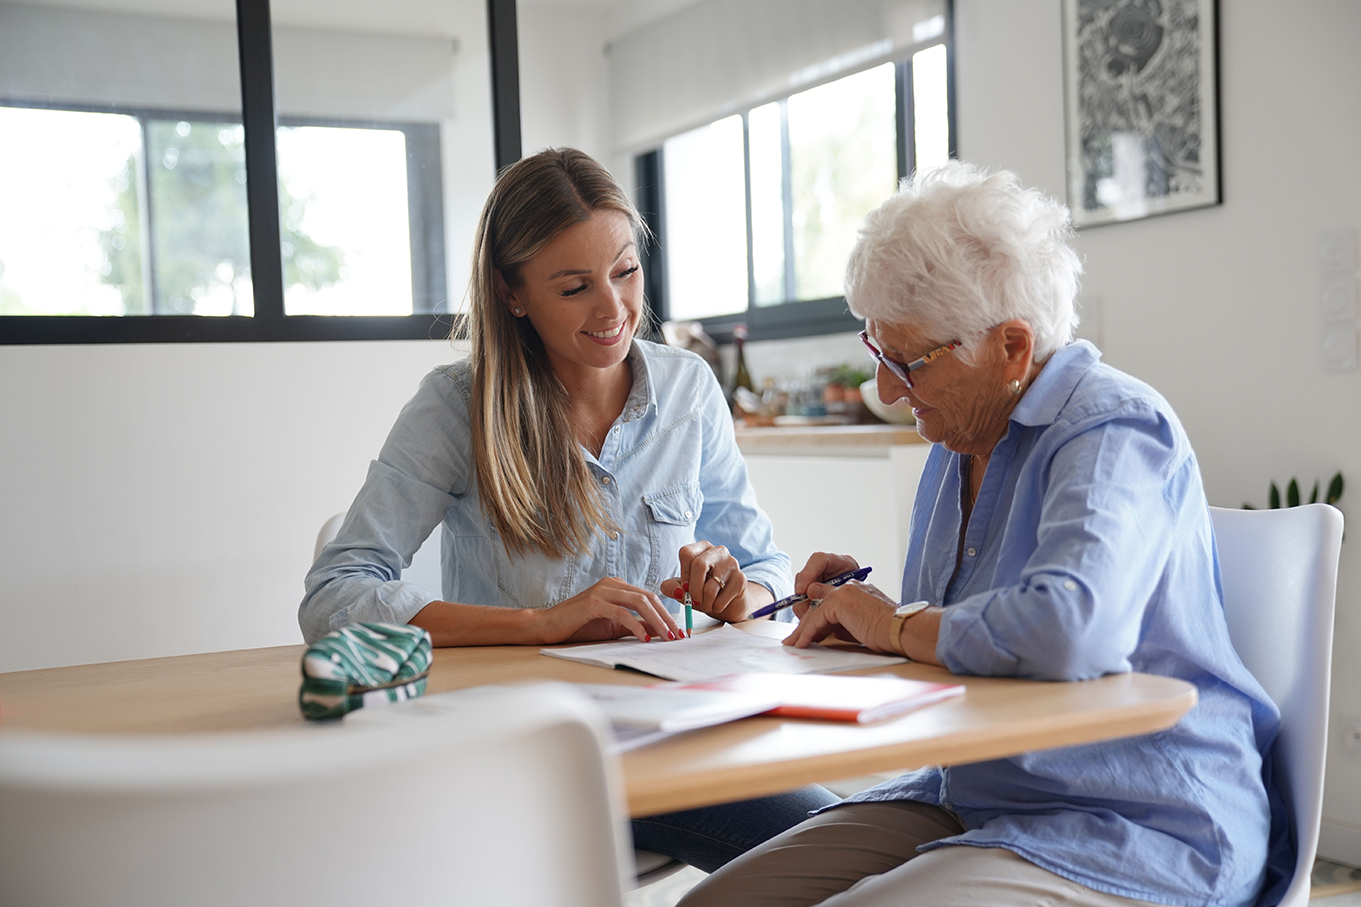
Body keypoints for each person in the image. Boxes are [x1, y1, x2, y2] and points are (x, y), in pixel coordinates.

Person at [679, 162, 1289, 907]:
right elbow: (968, 632)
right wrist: (866, 619)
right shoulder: (955, 443)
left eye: (907, 362)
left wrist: (896, 623)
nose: (885, 392)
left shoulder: (1112, 426)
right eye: (878, 353)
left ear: (1010, 347)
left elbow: (1069, 630)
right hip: (983, 790)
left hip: (1139, 815)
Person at [299, 147, 838, 870]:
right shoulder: (454, 408)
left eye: (625, 271)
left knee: (848, 842)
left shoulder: (689, 390)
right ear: (513, 293)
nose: (613, 308)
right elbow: (335, 592)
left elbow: (765, 561)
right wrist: (540, 624)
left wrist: (743, 591)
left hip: (671, 740)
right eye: (574, 286)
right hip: (516, 753)